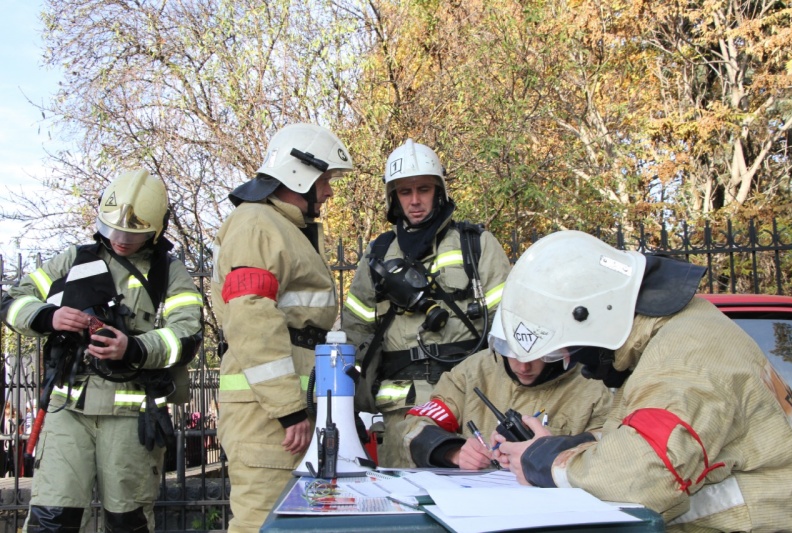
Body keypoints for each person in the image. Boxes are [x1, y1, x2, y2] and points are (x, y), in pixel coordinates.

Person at [494, 230, 792, 530]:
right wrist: (573, 445)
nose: (574, 360)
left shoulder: (685, 356)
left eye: (568, 347)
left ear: (594, 317)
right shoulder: (675, 335)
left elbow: (641, 478)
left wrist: (544, 462)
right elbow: (649, 435)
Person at [1, 169, 203, 532]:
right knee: (51, 518)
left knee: (127, 521)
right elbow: (12, 302)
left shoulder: (169, 272)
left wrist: (135, 347)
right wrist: (49, 316)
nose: (121, 239)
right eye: (113, 230)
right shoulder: (74, 260)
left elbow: (187, 334)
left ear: (156, 229)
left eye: (133, 234)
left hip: (131, 415)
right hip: (68, 408)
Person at [209, 123, 353, 531]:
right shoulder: (257, 224)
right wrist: (289, 410)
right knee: (262, 522)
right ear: (299, 174)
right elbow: (252, 316)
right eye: (325, 179)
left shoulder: (280, 226)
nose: (328, 190)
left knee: (291, 522)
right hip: (267, 415)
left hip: (278, 408)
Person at [342, 139, 511, 467]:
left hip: (470, 405)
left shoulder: (476, 246)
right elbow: (355, 333)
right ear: (394, 198)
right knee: (406, 508)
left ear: (440, 191)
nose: (415, 201)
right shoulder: (376, 257)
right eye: (405, 192)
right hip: (402, 413)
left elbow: (508, 324)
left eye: (423, 189)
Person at [397, 307, 612, 469]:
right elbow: (414, 425)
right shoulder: (474, 372)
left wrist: (554, 451)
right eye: (512, 352)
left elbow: (612, 450)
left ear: (559, 350)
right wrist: (451, 451)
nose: (523, 365)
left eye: (536, 355)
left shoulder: (591, 388)